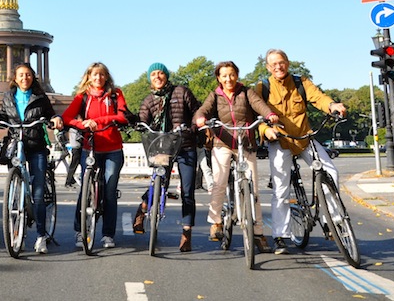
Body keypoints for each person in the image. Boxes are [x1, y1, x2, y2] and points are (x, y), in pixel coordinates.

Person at [255, 48, 347, 255]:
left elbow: (319, 98)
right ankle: (280, 236)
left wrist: (332, 105)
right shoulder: (263, 87)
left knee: (331, 172)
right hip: (280, 141)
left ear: (287, 63)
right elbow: (256, 114)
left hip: (305, 137)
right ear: (268, 68)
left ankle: (332, 221)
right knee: (281, 189)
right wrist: (265, 130)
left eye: (281, 62)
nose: (278, 67)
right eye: (273, 64)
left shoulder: (300, 82)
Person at [194, 61, 277, 253]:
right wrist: (200, 119)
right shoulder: (215, 95)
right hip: (222, 142)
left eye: (231, 74)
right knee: (219, 182)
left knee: (253, 187)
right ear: (219, 78)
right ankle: (215, 222)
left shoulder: (246, 92)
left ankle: (258, 233)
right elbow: (204, 110)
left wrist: (269, 114)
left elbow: (259, 105)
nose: (228, 79)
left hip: (245, 142)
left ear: (237, 75)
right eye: (224, 75)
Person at [0, 63, 63, 254]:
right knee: (15, 193)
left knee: (38, 192)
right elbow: (3, 114)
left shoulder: (40, 97)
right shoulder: (8, 97)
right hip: (16, 144)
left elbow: (51, 114)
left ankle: (41, 236)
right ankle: (18, 234)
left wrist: (56, 119)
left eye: (28, 74)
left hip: (36, 145)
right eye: (21, 75)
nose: (25, 78)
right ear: (15, 78)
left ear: (33, 77)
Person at [132, 62, 200, 252]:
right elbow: (143, 117)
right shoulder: (149, 100)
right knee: (158, 184)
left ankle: (186, 233)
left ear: (166, 75)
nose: (157, 77)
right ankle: (143, 207)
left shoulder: (181, 92)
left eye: (160, 73)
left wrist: (194, 125)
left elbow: (197, 110)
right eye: (153, 74)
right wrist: (140, 124)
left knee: (187, 191)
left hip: (185, 145)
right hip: (162, 147)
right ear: (150, 79)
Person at [62, 62, 129, 249]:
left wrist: (98, 121)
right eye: (94, 75)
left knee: (109, 191)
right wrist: (82, 124)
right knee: (85, 189)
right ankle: (79, 230)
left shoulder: (116, 94)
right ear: (88, 77)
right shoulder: (82, 97)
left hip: (112, 149)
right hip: (89, 148)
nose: (98, 78)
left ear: (106, 77)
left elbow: (122, 116)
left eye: (101, 75)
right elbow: (67, 117)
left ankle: (108, 234)